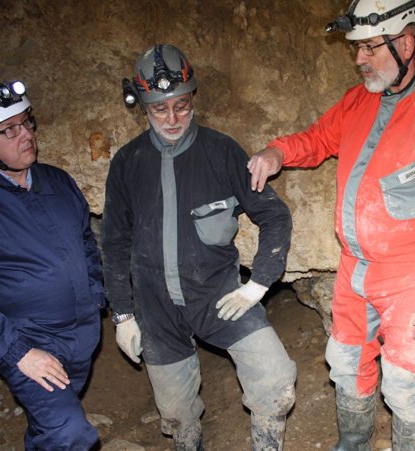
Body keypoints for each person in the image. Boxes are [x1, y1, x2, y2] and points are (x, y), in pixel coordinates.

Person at [248, 0, 415, 449]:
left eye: (368, 48)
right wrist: (279, 152)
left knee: (404, 382)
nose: (358, 59)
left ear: (405, 42)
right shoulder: (360, 101)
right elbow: (319, 138)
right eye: (356, 48)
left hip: (414, 277)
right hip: (355, 267)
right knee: (344, 362)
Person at [102, 44, 297, 451]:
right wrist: (122, 314)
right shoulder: (128, 162)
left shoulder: (221, 151)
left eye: (182, 106)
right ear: (142, 106)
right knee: (175, 409)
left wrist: (257, 285)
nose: (172, 119)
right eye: (160, 110)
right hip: (155, 309)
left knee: (275, 377)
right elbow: (115, 242)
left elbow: (274, 216)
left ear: (193, 99)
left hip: (218, 296)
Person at [0, 81, 104, 450]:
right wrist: (19, 353)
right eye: (9, 130)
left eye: (26, 122)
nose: (26, 134)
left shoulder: (57, 181)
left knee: (51, 425)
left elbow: (86, 244)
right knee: (69, 432)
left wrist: (94, 295)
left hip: (81, 333)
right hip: (29, 342)